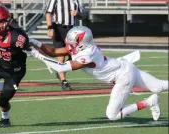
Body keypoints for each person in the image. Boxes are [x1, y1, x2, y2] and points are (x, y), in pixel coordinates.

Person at [28, 26, 168, 121]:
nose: (70, 42)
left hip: (123, 76)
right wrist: (34, 42)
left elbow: (61, 67)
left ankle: (149, 101)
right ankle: (153, 100)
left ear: (82, 42)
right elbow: (53, 52)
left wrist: (36, 55)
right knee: (159, 86)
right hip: (125, 66)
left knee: (112, 115)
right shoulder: (84, 46)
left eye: (73, 40)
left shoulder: (87, 55)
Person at [45, 0, 82, 90]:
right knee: (61, 55)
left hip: (71, 30)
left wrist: (77, 14)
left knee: (72, 56)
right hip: (58, 28)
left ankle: (60, 72)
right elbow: (48, 13)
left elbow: (82, 15)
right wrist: (50, 27)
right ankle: (63, 81)